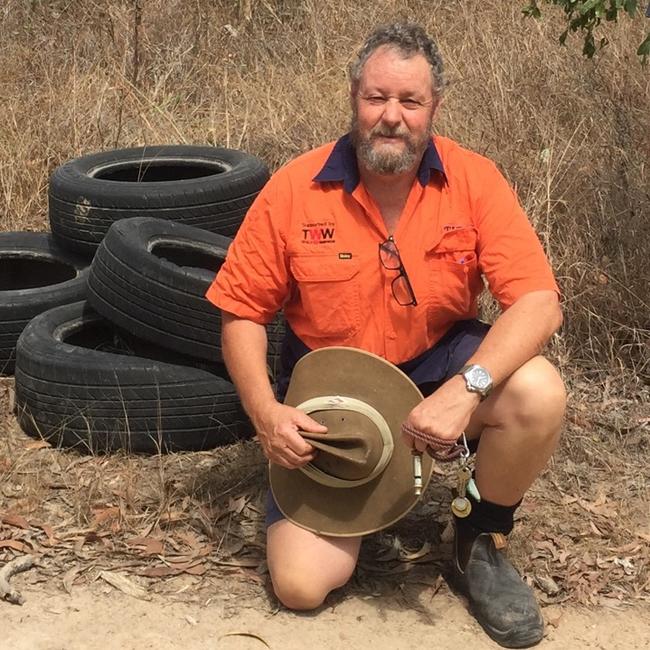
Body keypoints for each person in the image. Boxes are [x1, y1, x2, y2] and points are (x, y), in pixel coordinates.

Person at [206, 22, 566, 649]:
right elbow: (240, 310)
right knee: (301, 587)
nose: (391, 117)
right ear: (353, 98)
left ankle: (478, 539)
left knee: (537, 392)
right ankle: (364, 489)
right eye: (377, 98)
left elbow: (537, 302)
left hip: (439, 360)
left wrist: (466, 390)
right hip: (333, 392)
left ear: (435, 108)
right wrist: (266, 413)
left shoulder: (475, 180)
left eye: (410, 101)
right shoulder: (295, 187)